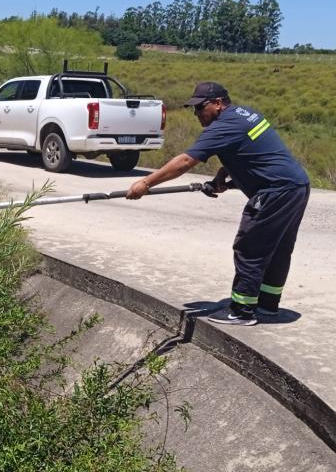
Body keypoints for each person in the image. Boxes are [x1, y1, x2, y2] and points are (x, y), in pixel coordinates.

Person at [126, 81, 310, 326]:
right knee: (277, 249)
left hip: (274, 192)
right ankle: (267, 305)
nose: (197, 114)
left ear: (218, 103)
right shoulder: (246, 115)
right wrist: (222, 177)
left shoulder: (222, 127)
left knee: (250, 248)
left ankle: (242, 311)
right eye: (194, 109)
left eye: (201, 107)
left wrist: (146, 183)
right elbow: (246, 149)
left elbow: (185, 161)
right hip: (295, 187)